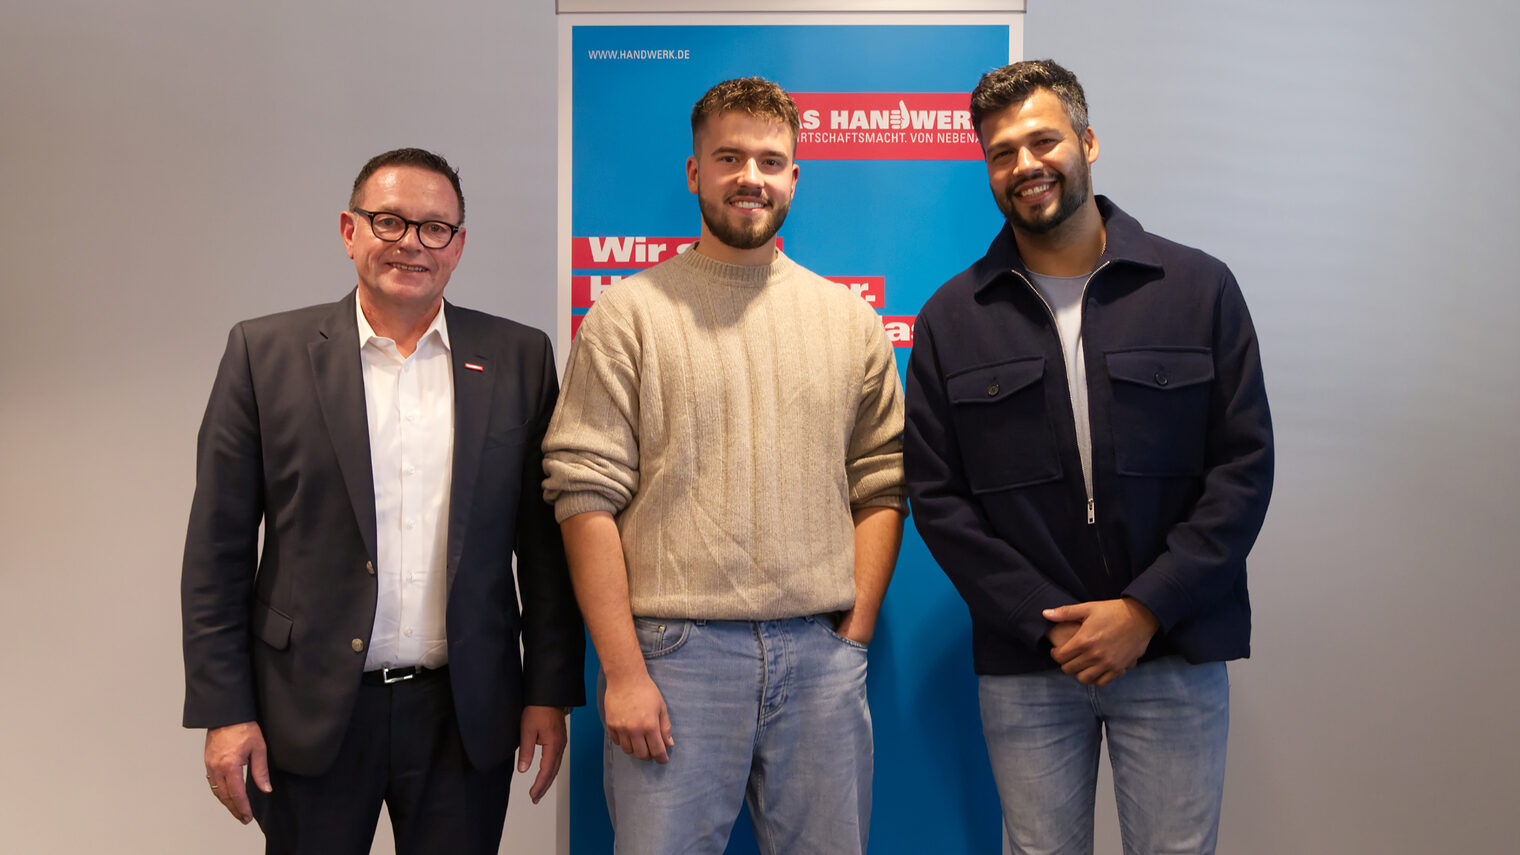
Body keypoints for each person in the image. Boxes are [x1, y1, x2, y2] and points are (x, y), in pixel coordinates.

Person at [904, 60, 1274, 854]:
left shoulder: (1197, 287)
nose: (1025, 165)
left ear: (1088, 140)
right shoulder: (950, 318)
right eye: (1002, 152)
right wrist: (1050, 625)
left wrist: (1144, 609)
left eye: (1044, 140)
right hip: (1030, 664)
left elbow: (1242, 468)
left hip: (1173, 648)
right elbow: (938, 497)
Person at [181, 147, 585, 854]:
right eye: (390, 221)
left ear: (458, 245)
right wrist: (225, 710)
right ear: (349, 229)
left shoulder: (519, 358)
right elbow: (217, 551)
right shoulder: (264, 353)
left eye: (435, 228)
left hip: (464, 713)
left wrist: (547, 690)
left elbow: (544, 550)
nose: (411, 243)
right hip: (308, 710)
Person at [542, 77, 906, 854]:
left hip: (820, 658)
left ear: (795, 175)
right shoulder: (626, 315)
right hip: (674, 660)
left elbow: (882, 480)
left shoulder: (850, 321)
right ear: (694, 171)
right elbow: (581, 493)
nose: (751, 176)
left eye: (771, 161)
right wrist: (624, 669)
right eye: (729, 156)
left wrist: (854, 636)